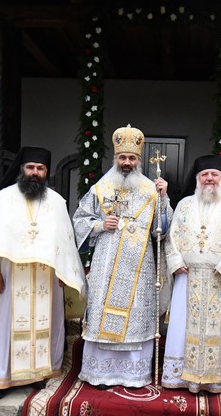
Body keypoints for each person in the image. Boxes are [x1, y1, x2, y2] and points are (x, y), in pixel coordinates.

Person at [0, 147, 85, 399]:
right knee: (5, 325)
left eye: (40, 168)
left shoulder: (56, 201)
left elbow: (65, 241)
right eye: (30, 167)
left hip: (45, 278)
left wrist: (63, 272)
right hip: (10, 276)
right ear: (22, 169)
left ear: (46, 172)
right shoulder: (4, 197)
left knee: (42, 326)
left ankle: (36, 374)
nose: (35, 173)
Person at [71, 125, 172, 387]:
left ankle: (132, 375)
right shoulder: (100, 188)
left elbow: (162, 230)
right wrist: (100, 225)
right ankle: (101, 373)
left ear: (139, 160)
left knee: (136, 314)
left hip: (140, 266)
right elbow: (79, 220)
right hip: (106, 263)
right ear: (115, 158)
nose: (127, 163)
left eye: (132, 158)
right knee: (103, 310)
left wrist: (164, 199)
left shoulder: (151, 189)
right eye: (123, 157)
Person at [162, 155, 221, 395]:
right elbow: (171, 237)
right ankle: (182, 376)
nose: (209, 179)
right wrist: (175, 261)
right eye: (204, 174)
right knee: (182, 326)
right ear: (197, 179)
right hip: (188, 277)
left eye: (214, 174)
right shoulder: (184, 204)